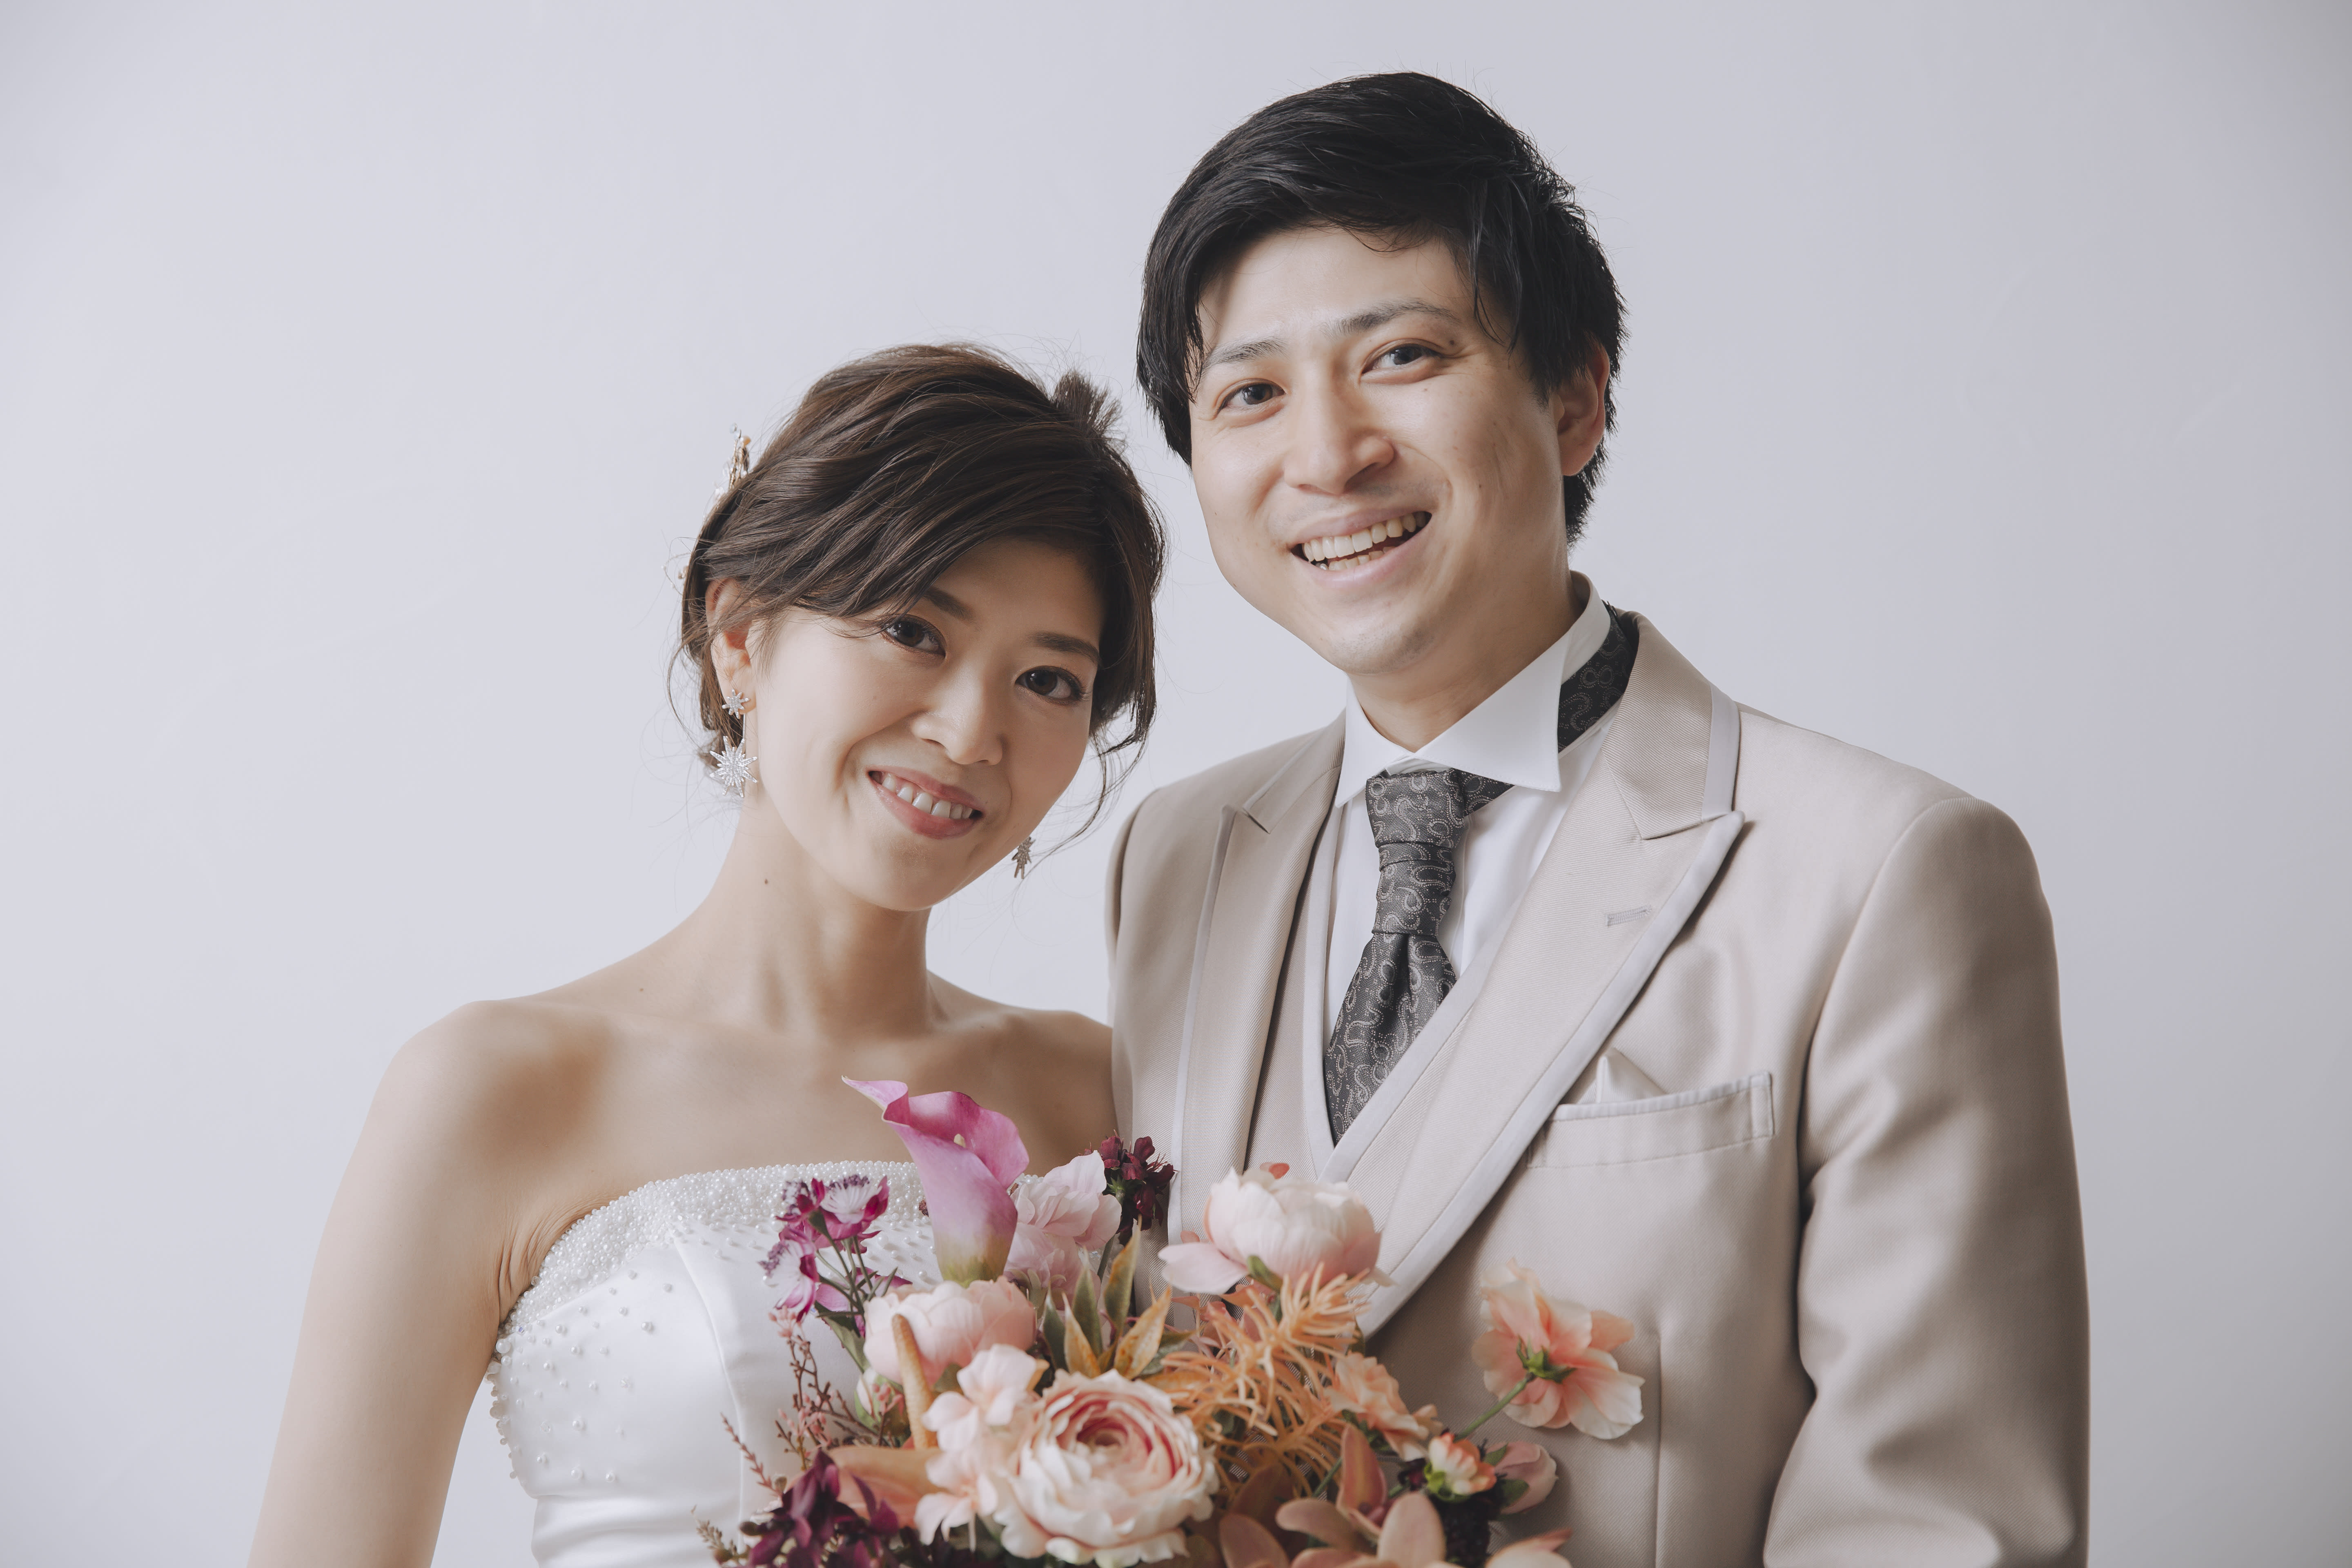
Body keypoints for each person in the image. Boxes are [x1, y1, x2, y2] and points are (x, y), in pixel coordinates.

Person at [1106, 74, 2088, 1567]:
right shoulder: (1174, 857)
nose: (1326, 455)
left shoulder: (1886, 869)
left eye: (1402, 356)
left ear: (1575, 397)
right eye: (1250, 394)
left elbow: (1938, 1525)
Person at [250, 344, 1165, 1568]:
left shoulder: (1100, 1094)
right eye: (911, 630)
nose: (969, 732)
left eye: (1047, 679)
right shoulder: (494, 1088)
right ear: (739, 636)